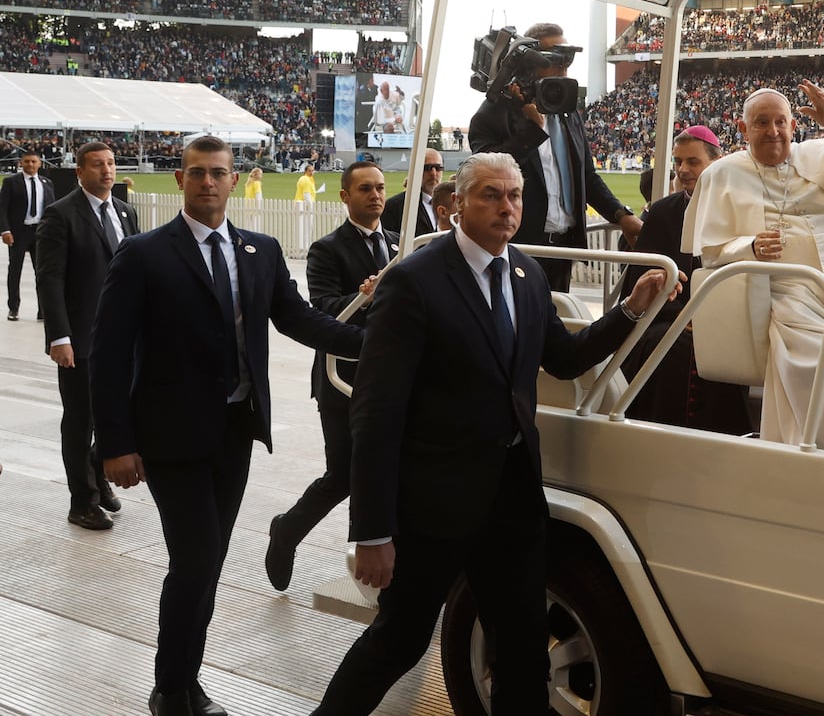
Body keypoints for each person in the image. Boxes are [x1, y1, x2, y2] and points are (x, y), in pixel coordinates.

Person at [311, 152, 679, 715]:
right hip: (432, 504)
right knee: (400, 641)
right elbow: (375, 413)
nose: (506, 208)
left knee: (524, 647)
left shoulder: (527, 277)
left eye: (514, 196)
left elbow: (564, 357)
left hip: (510, 498)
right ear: (458, 204)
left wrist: (630, 309)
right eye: (490, 195)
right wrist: (374, 529)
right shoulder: (412, 282)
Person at [91, 135, 364, 716]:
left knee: (208, 563)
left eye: (218, 173)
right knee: (194, 560)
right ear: (180, 181)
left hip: (234, 434)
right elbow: (109, 354)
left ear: (234, 181)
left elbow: (302, 321)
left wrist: (374, 343)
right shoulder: (144, 254)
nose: (208, 183)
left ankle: (188, 683)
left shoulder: (259, 251)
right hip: (169, 439)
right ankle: (169, 689)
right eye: (197, 174)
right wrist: (114, 444)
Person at [684, 82, 824, 450]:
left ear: (794, 127)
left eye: (781, 122)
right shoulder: (723, 174)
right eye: (761, 123)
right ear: (743, 129)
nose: (773, 131)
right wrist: (749, 246)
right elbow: (711, 252)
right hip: (787, 292)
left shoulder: (819, 156)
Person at [266, 163, 397, 592]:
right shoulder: (327, 250)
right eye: (365, 188)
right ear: (344, 196)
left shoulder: (399, 245)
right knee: (343, 473)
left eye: (380, 188)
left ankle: (371, 564)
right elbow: (320, 309)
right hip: (341, 377)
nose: (375, 195)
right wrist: (366, 293)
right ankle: (287, 531)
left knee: (379, 469)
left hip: (389, 379)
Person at [468, 23, 641, 290]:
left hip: (564, 251)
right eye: (556, 59)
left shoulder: (567, 112)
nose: (564, 67)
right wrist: (530, 132)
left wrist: (621, 215)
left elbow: (586, 177)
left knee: (555, 327)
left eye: (568, 59)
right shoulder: (491, 114)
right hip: (516, 250)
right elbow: (485, 175)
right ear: (528, 64)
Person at [35, 141, 140, 531]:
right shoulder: (61, 215)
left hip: (123, 336)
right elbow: (50, 277)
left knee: (120, 410)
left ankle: (98, 472)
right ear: (79, 172)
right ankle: (82, 501)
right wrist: (59, 335)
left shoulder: (125, 212)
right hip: (80, 337)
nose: (107, 171)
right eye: (97, 165)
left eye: (111, 164)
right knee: (81, 419)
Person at [619, 126, 750, 433]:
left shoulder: (739, 208)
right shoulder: (663, 212)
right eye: (678, 162)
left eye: (693, 162)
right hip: (666, 320)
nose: (683, 170)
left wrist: (706, 318)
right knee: (669, 347)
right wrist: (681, 315)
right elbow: (640, 282)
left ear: (717, 163)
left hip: (726, 321)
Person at [1, 151, 55, 321]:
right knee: (15, 270)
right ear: (21, 163)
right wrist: (5, 230)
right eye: (27, 162)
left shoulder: (47, 183)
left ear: (39, 164)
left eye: (33, 162)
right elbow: (2, 208)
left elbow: (52, 209)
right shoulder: (11, 182)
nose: (30, 165)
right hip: (18, 232)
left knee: (42, 272)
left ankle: (43, 310)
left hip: (40, 232)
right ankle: (13, 307)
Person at [379, 148, 443, 236]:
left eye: (438, 167)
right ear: (415, 170)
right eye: (427, 168)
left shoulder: (450, 202)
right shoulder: (395, 206)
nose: (433, 173)